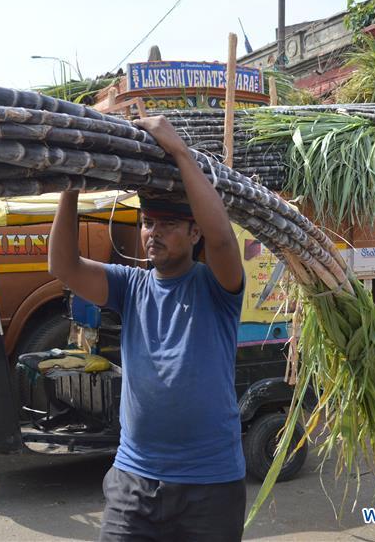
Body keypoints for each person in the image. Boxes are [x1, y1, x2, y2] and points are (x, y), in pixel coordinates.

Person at [48, 115, 247, 542]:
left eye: (168, 225)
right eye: (148, 223)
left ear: (194, 232)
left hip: (210, 483)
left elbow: (223, 241)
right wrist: (71, 185)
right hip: (134, 479)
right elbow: (63, 265)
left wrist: (179, 152)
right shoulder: (130, 286)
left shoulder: (217, 287)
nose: (153, 233)